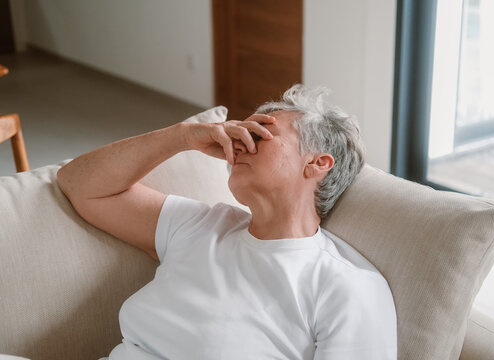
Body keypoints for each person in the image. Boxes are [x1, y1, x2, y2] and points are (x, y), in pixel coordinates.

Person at [56, 84, 397, 359]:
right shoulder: (203, 226)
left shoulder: (348, 287)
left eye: (261, 134)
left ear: (318, 164)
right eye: (240, 133)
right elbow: (79, 184)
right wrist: (182, 136)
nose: (239, 145)